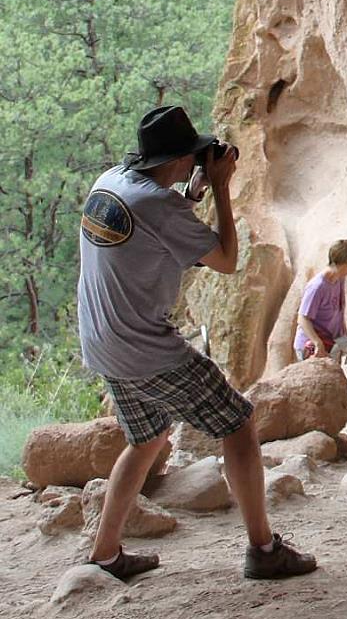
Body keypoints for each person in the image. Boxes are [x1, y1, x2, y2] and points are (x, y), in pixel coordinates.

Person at [77, 105, 317, 581]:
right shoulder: (159, 206)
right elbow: (226, 260)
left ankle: (104, 555)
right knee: (239, 422)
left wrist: (193, 191)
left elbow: (153, 229)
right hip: (145, 348)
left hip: (101, 339)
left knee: (146, 439)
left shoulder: (111, 183)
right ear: (183, 157)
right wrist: (222, 189)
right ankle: (264, 549)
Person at [294, 240, 347, 364]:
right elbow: (302, 319)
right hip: (311, 345)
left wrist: (344, 338)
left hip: (329, 342)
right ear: (338, 263)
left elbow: (339, 309)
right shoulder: (317, 287)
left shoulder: (339, 279)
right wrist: (317, 343)